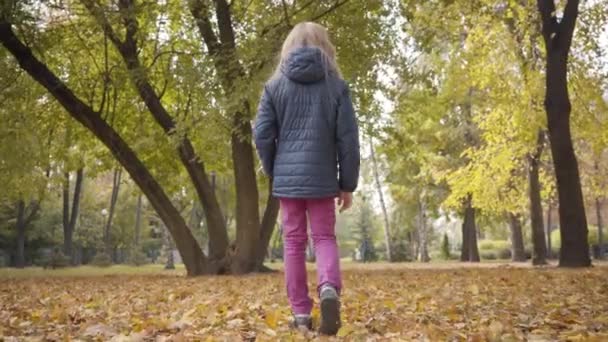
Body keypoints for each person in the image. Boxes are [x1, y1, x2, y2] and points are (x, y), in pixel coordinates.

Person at [253, 22, 360, 335]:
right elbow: (348, 140)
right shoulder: (337, 87)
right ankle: (329, 289)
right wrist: (347, 183)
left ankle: (300, 313)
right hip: (323, 179)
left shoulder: (274, 87)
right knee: (324, 237)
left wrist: (274, 170)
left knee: (293, 243)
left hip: (289, 180)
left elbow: (261, 135)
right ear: (326, 48)